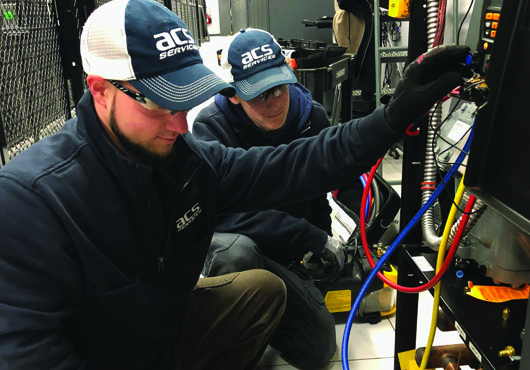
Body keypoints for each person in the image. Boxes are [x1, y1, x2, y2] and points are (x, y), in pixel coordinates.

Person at [0, 0, 472, 368]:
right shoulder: (32, 204)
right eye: (161, 106)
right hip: (104, 358)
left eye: (185, 102)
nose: (181, 126)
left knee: (264, 293)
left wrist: (391, 118)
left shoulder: (185, 161)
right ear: (100, 89)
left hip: (164, 335)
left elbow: (301, 163)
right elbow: (31, 356)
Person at [192, 28, 343, 369]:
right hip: (239, 252)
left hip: (285, 259)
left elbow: (317, 192)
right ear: (232, 94)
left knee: (317, 349)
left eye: (279, 88)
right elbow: (220, 216)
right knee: (234, 251)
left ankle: (267, 318)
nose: (274, 102)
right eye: (259, 95)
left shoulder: (312, 118)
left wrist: (322, 240)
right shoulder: (210, 130)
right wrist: (309, 236)